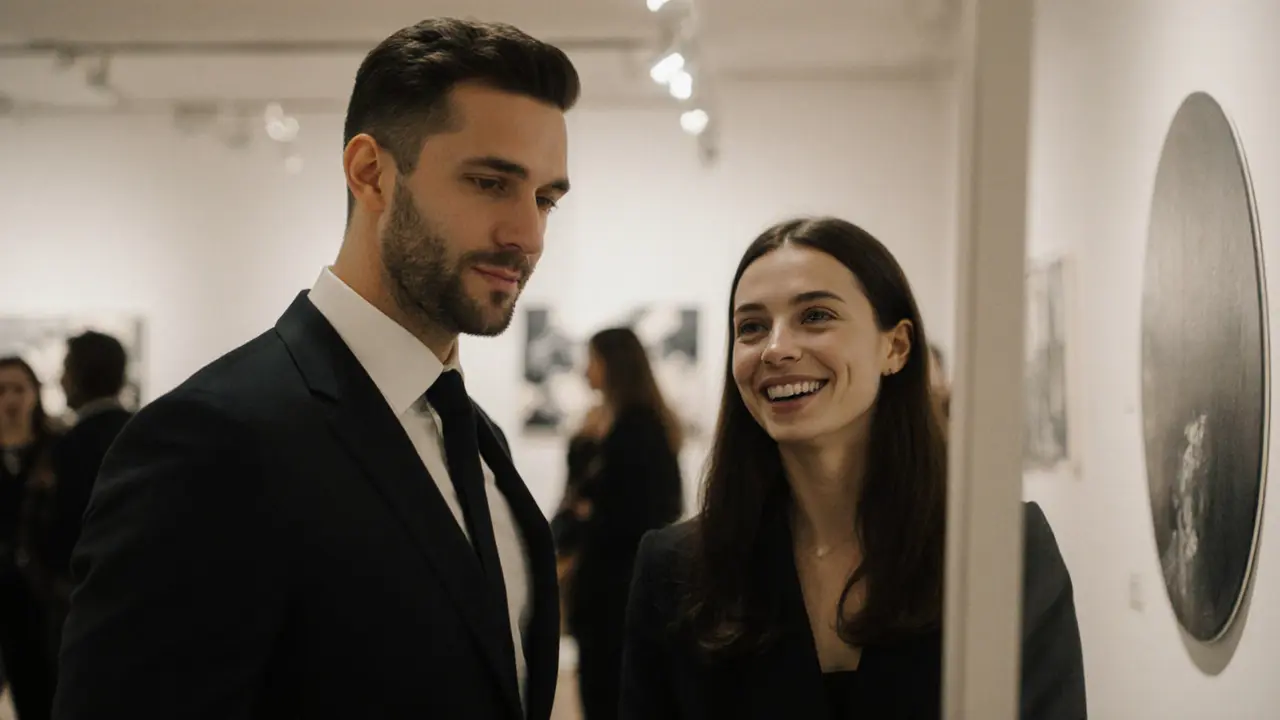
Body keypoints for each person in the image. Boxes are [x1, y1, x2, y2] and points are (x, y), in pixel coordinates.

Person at [53, 18, 578, 720]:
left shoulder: (476, 440)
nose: (529, 235)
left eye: (545, 199)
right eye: (489, 182)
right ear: (371, 174)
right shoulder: (210, 444)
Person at [617, 218, 1086, 719]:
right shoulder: (676, 570)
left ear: (896, 347)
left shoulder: (1004, 547)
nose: (776, 349)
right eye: (751, 327)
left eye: (816, 316)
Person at [556, 328, 684, 720]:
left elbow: (655, 509)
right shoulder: (607, 426)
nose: (585, 371)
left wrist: (591, 515)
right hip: (605, 589)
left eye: (592, 361)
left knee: (612, 693)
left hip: (619, 590)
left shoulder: (639, 429)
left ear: (613, 364)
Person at [0, 357, 58, 720]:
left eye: (19, 389)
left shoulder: (57, 450)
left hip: (43, 600)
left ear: (35, 394)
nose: (10, 399)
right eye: (1, 390)